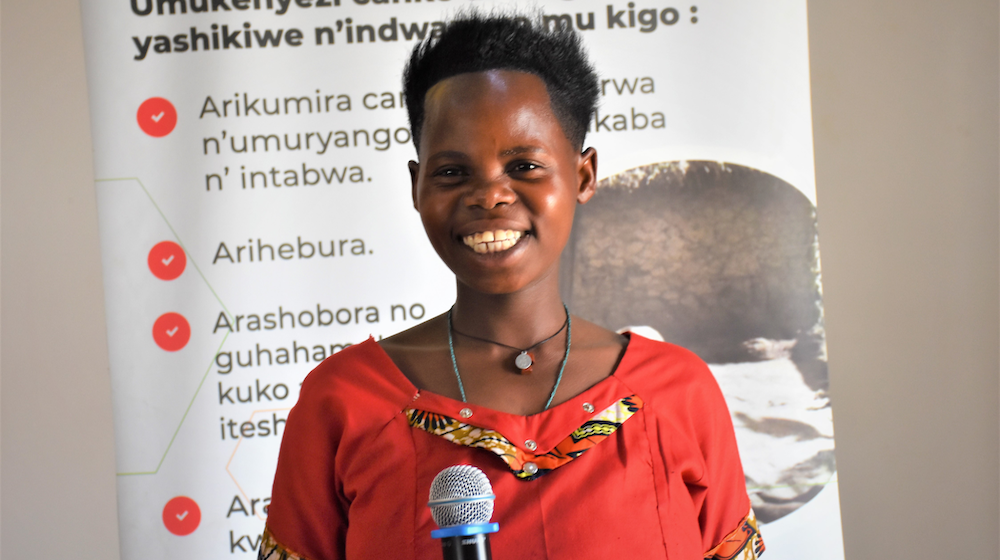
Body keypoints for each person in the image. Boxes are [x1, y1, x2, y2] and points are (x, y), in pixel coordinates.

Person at [259, 12, 763, 560]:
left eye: (523, 164)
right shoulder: (343, 401)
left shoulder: (676, 394)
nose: (489, 196)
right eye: (452, 172)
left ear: (583, 176)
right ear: (416, 185)